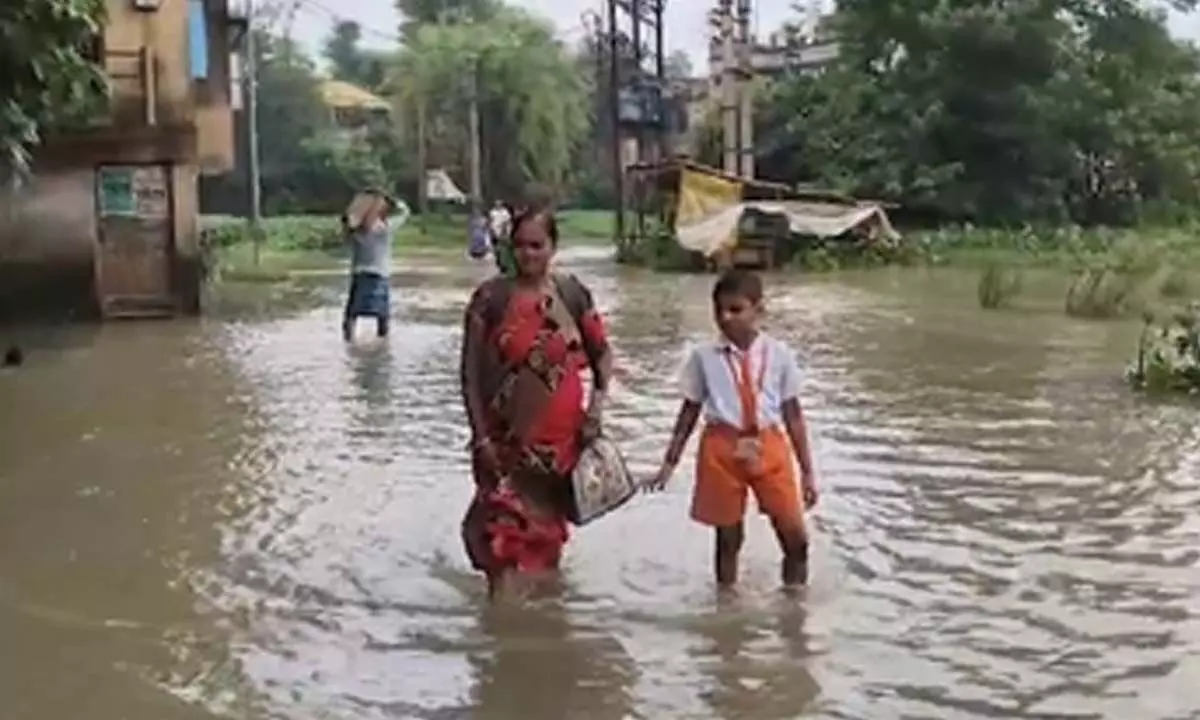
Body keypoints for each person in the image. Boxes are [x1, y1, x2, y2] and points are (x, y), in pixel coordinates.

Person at [459, 208, 613, 599]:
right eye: (520, 246)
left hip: (559, 448)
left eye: (536, 245)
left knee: (545, 543)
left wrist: (596, 410)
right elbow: (470, 375)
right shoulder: (490, 299)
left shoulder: (572, 295)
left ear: (553, 247)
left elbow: (602, 356)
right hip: (502, 446)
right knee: (501, 541)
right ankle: (502, 625)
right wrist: (481, 438)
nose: (527, 254)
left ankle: (545, 625)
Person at [649, 269, 818, 590]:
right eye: (719, 310)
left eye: (736, 309)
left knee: (795, 537)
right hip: (721, 447)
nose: (725, 318)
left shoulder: (779, 355)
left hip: (769, 444)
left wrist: (808, 472)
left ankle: (794, 606)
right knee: (728, 538)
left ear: (759, 310)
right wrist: (669, 463)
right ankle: (726, 605)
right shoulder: (703, 357)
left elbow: (793, 414)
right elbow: (689, 410)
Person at [341, 189, 409, 342]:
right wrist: (394, 201)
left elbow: (346, 219)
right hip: (379, 274)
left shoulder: (356, 232)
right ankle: (382, 344)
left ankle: (349, 342)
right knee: (382, 315)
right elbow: (405, 212)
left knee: (352, 315)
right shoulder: (385, 228)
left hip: (360, 275)